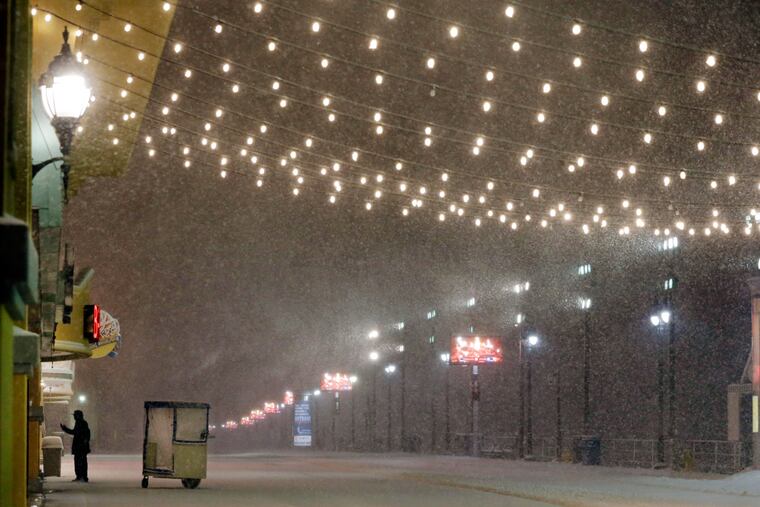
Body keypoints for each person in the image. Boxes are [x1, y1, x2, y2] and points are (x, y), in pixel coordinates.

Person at [60, 410, 91, 482]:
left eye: (75, 415)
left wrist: (65, 429)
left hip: (80, 447)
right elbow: (79, 433)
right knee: (81, 461)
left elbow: (75, 432)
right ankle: (82, 476)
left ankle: (81, 476)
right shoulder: (82, 423)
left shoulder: (81, 423)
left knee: (79, 462)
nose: (74, 417)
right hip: (81, 446)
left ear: (78, 416)